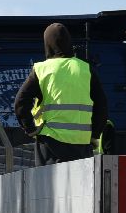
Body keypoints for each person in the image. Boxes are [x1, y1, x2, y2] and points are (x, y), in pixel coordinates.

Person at [13, 23, 108, 165]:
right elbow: (102, 105)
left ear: (47, 44)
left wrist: (31, 130)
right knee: (81, 186)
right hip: (81, 145)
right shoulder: (85, 69)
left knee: (50, 186)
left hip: (50, 144)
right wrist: (94, 135)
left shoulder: (41, 69)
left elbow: (20, 102)